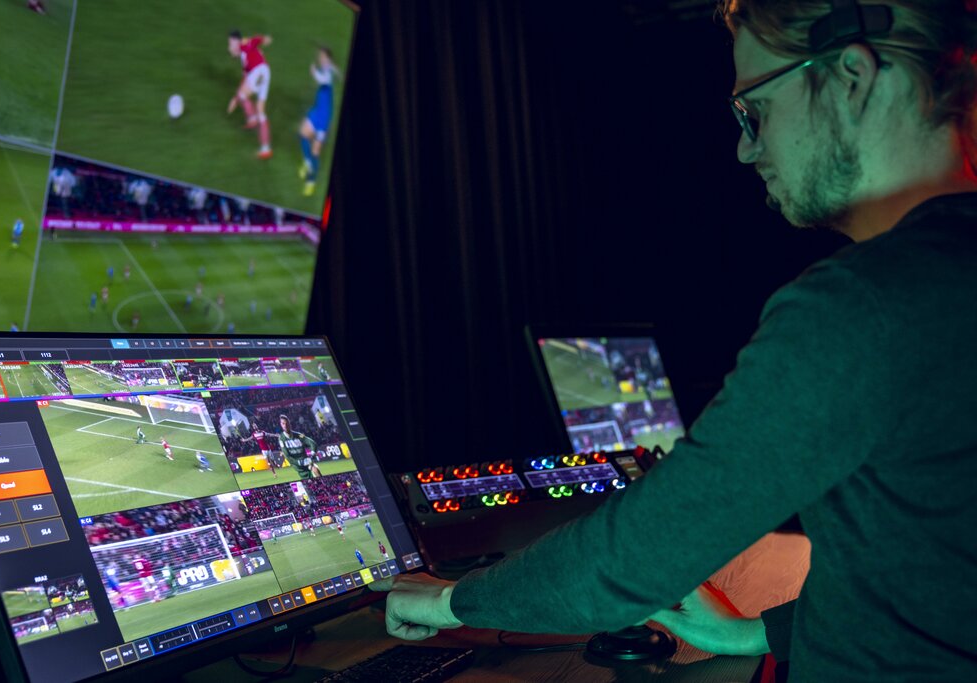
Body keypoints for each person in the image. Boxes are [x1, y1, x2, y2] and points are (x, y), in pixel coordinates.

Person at [372, 2, 977, 680]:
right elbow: (938, 570)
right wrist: (760, 632)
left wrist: (449, 601)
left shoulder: (864, 305)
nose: (746, 148)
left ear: (850, 79)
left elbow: (641, 554)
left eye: (754, 110)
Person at [298, 47, 341, 196]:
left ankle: (311, 181)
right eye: (320, 56)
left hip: (324, 118)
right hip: (316, 111)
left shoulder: (326, 72)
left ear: (327, 58)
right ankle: (308, 163)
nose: (320, 58)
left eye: (322, 56)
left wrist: (313, 72)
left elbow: (322, 79)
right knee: (303, 135)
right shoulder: (327, 67)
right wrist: (337, 71)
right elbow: (333, 68)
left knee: (315, 152)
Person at [227, 30, 274, 159]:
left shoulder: (243, 44)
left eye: (230, 43)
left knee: (242, 95)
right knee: (259, 110)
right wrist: (236, 98)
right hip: (264, 72)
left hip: (259, 72)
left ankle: (253, 119)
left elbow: (254, 40)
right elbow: (245, 78)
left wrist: (264, 39)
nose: (229, 47)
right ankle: (265, 149)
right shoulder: (244, 57)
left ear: (236, 41)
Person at [275, 414, 322, 479]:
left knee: (316, 470)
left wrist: (312, 454)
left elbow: (312, 443)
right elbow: (287, 456)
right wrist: (299, 462)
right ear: (281, 425)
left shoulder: (299, 435)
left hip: (307, 461)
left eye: (286, 423)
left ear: (289, 424)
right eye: (283, 424)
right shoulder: (281, 439)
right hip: (298, 466)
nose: (285, 425)